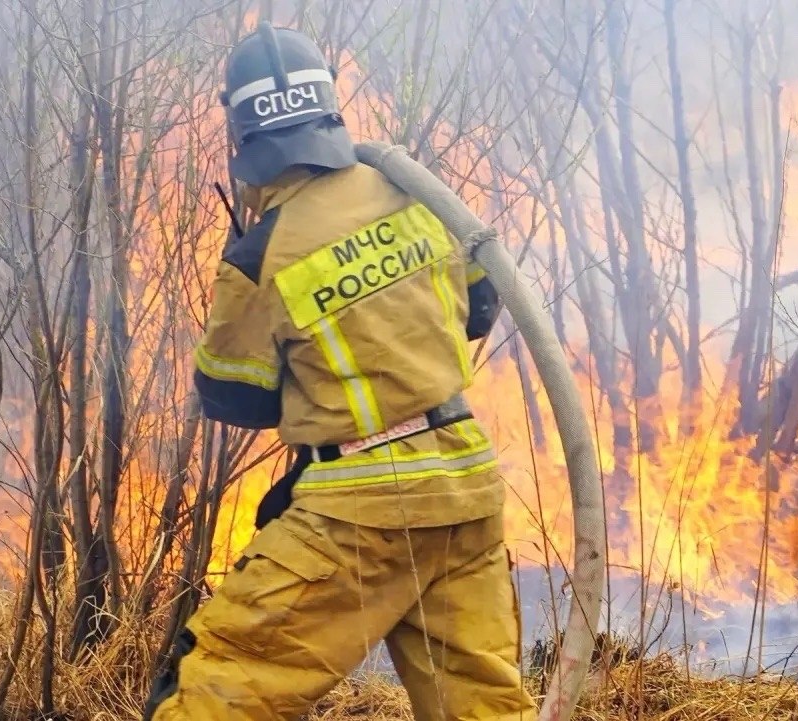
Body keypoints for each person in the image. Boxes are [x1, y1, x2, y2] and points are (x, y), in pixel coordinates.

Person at [143, 22, 538, 721]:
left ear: (242, 132)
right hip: (466, 487)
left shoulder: (260, 254)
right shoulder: (416, 193)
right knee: (481, 708)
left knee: (208, 692)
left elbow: (236, 397)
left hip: (357, 517)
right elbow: (480, 307)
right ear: (328, 103)